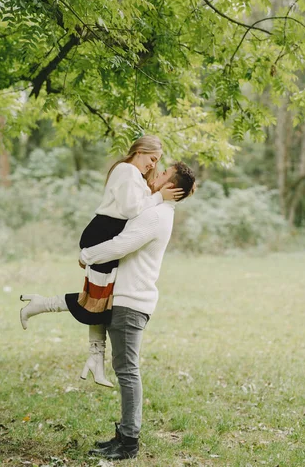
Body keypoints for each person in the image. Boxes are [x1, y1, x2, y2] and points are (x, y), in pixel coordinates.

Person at [20, 135, 184, 387]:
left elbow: (137, 205)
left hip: (108, 233)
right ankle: (40, 305)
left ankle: (95, 359)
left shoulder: (135, 176)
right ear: (140, 151)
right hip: (103, 234)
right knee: (94, 303)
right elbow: (131, 210)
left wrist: (158, 192)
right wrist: (160, 197)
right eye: (152, 159)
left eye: (157, 162)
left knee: (101, 302)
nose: (153, 165)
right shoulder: (127, 170)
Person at [83, 161, 196, 460]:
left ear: (171, 187)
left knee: (128, 371)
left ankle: (129, 442)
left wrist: (87, 255)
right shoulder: (154, 209)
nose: (155, 176)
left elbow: (123, 244)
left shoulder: (158, 215)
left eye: (162, 175)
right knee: (125, 369)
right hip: (127, 297)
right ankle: (123, 434)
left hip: (132, 300)